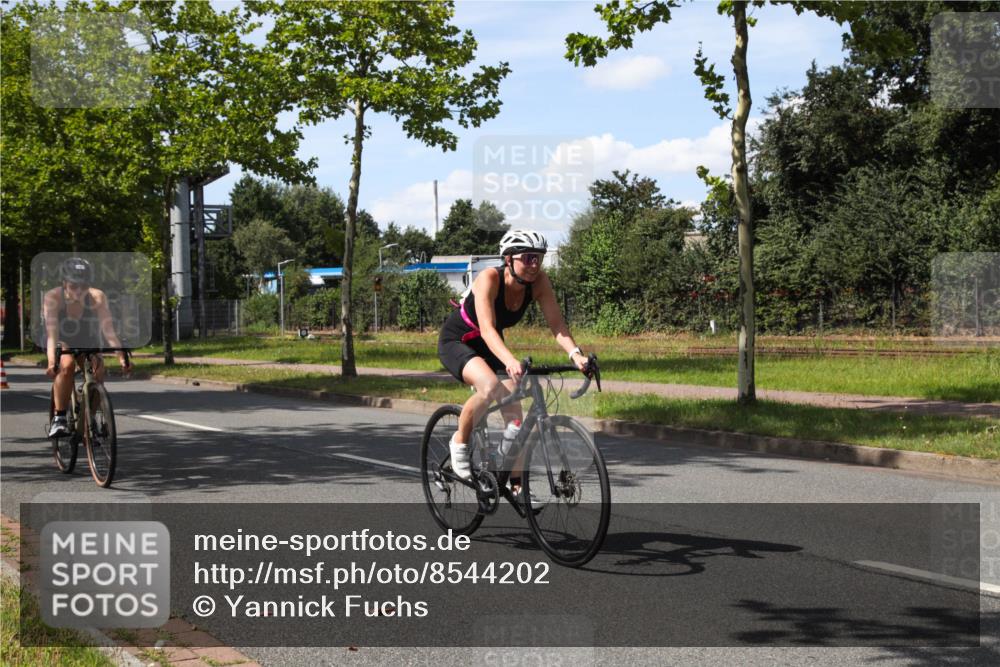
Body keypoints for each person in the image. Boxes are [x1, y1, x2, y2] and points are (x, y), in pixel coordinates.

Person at [437, 229, 589, 496]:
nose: (534, 265)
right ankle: (459, 442)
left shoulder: (539, 282)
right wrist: (510, 361)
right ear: (508, 259)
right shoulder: (489, 278)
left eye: (538, 258)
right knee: (488, 386)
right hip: (458, 340)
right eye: (528, 258)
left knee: (515, 416)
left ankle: (515, 485)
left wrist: (576, 355)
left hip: (491, 344)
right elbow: (487, 329)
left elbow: (557, 325)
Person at [44, 257, 131, 438]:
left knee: (98, 372)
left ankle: (89, 422)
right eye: (73, 286)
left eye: (83, 286)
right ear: (64, 284)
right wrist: (52, 362)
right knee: (66, 365)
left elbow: (109, 331)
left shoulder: (97, 297)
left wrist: (122, 357)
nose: (79, 290)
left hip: (86, 338)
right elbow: (52, 336)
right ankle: (59, 418)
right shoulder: (53, 298)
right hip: (62, 339)